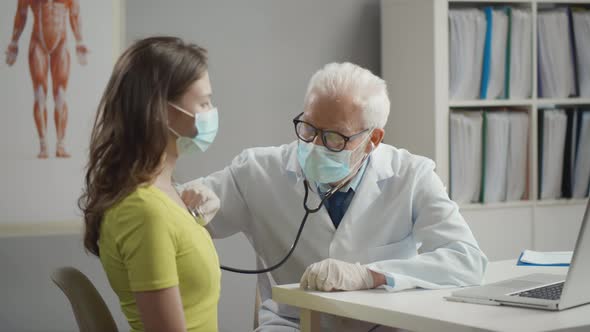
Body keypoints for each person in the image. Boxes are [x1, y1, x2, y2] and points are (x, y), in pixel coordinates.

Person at [183, 62, 488, 331]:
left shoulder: (411, 175)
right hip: (292, 324)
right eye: (308, 129)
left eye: (333, 137)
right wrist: (187, 200)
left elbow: (466, 260)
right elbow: (165, 210)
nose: (315, 144)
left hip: (384, 326)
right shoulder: (256, 171)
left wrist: (370, 275)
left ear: (373, 139)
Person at [79, 36, 221, 332]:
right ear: (162, 110)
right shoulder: (144, 211)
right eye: (204, 103)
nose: (211, 113)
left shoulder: (159, 195)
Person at [6, 0, 89, 158]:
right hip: (38, 42)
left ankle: (60, 144)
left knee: (60, 96)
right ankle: (43, 144)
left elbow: (74, 14)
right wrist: (14, 42)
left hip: (61, 42)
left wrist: (80, 41)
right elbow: (21, 14)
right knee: (40, 95)